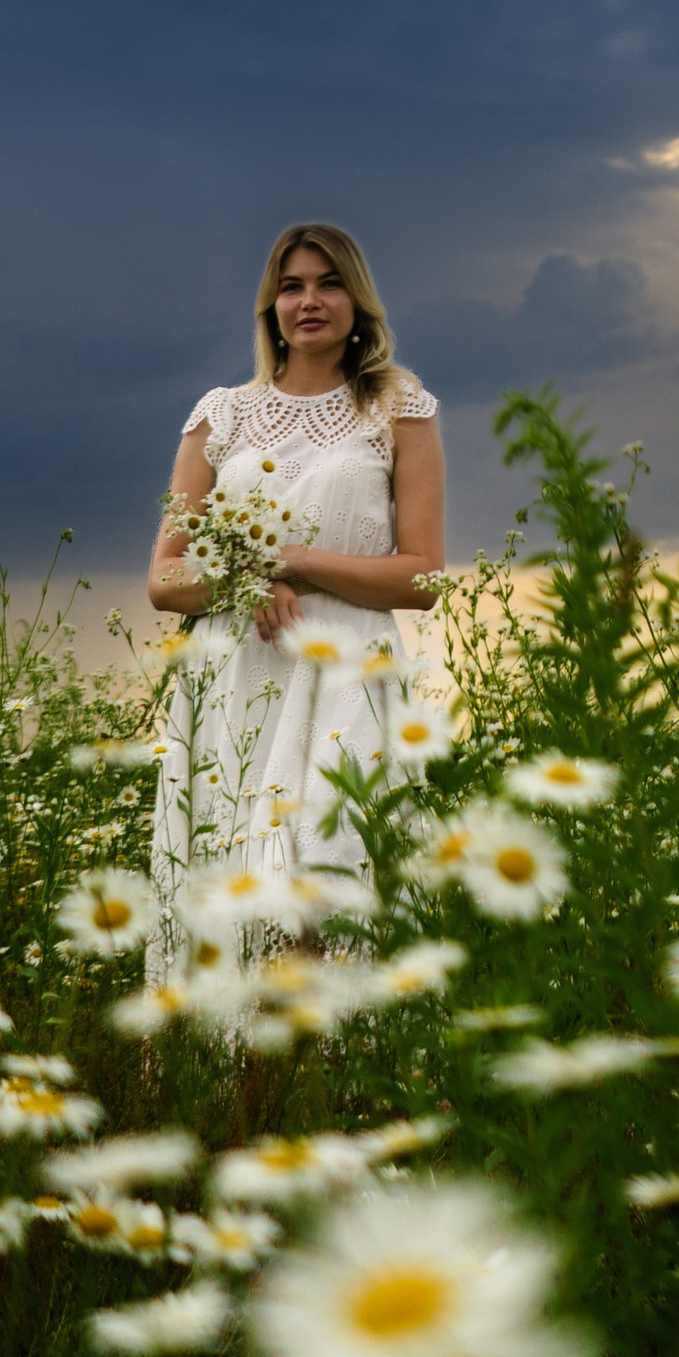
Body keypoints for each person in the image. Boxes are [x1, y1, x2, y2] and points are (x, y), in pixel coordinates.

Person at [146, 223, 445, 949]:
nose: (310, 301)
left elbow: (423, 575)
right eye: (292, 286)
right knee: (232, 895)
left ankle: (332, 1059)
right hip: (236, 678)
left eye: (329, 283)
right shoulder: (221, 414)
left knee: (325, 884)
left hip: (344, 670)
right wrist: (247, 585)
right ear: (270, 308)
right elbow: (165, 576)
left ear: (358, 302)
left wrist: (294, 562)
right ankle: (237, 1063)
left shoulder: (398, 409)